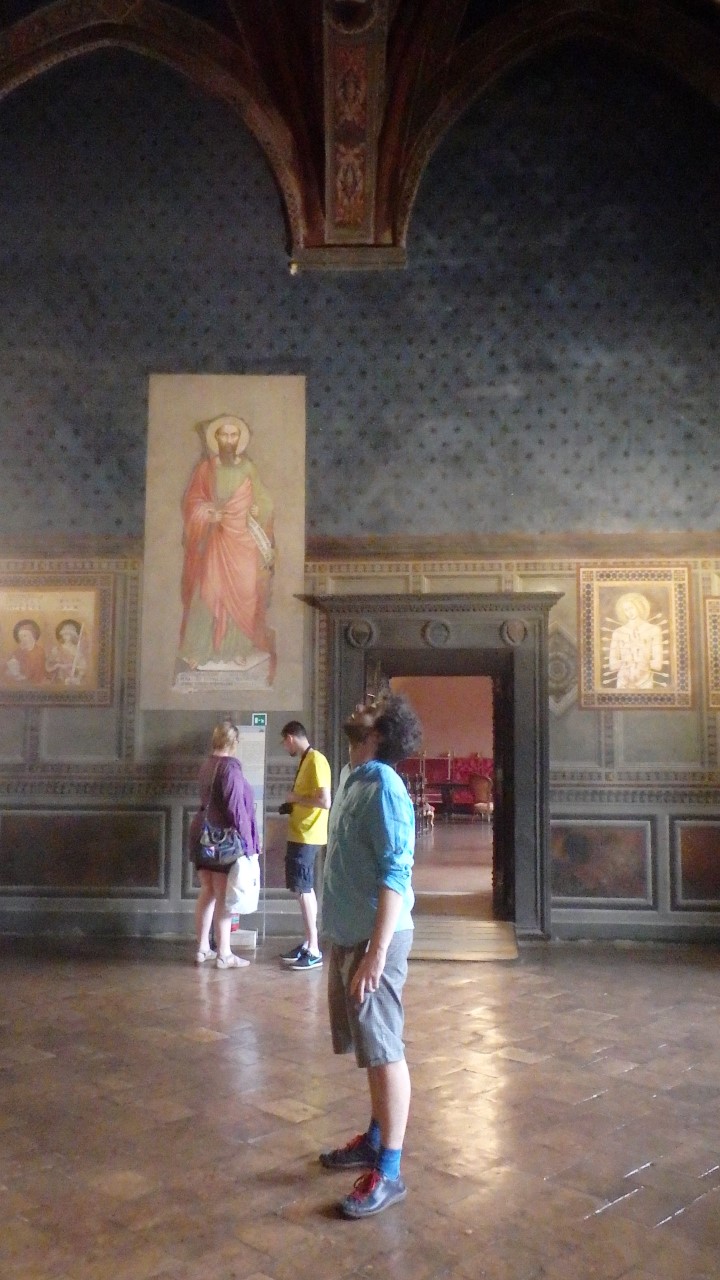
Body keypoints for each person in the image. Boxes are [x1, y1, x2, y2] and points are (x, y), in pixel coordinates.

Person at [319, 693, 422, 1219]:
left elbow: (395, 874)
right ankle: (376, 1137)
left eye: (374, 705)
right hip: (352, 935)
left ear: (380, 732)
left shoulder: (385, 787)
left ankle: (390, 1170)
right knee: (370, 1048)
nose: (362, 703)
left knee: (384, 1049)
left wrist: (376, 954)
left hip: (376, 938)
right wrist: (335, 936)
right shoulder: (351, 776)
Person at [177, 414, 275, 676]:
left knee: (244, 593)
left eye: (234, 435)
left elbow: (264, 500)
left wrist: (258, 508)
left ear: (239, 439)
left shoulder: (248, 467)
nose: (229, 440)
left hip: (243, 542)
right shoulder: (206, 468)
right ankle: (200, 650)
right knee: (209, 591)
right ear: (216, 438)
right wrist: (208, 513)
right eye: (224, 435)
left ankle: (236, 649)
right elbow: (191, 504)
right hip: (217, 539)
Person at [188, 721, 260, 969]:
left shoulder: (207, 765)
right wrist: (250, 843)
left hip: (201, 835)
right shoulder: (230, 768)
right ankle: (224, 954)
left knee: (207, 891)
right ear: (234, 743)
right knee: (223, 896)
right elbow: (236, 809)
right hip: (222, 841)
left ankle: (202, 949)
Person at [279, 721, 331, 971]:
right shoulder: (307, 759)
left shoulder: (316, 760)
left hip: (307, 834)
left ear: (290, 738)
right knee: (302, 889)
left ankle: (314, 949)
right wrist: (294, 804)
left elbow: (325, 801)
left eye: (284, 742)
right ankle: (309, 942)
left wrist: (295, 798)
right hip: (301, 832)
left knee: (304, 889)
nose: (284, 747)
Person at [607, 592, 665, 690]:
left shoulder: (654, 630)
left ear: (639, 607)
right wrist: (627, 662)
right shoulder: (617, 632)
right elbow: (612, 665)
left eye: (631, 608)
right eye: (626, 610)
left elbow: (658, 664)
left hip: (645, 682)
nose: (629, 612)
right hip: (623, 682)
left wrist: (642, 662)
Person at [46, 619, 88, 685]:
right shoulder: (56, 649)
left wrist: (77, 677)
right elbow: (49, 665)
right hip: (59, 678)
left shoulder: (76, 650)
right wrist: (58, 665)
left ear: (73, 636)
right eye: (64, 634)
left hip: (72, 679)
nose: (66, 636)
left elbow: (82, 666)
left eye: (68, 634)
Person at [5, 619, 47, 684]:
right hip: (18, 684)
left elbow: (39, 672)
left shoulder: (39, 651)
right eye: (20, 637)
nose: (22, 639)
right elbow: (8, 667)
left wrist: (25, 677)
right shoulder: (18, 651)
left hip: (35, 684)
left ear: (33, 635)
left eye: (25, 636)